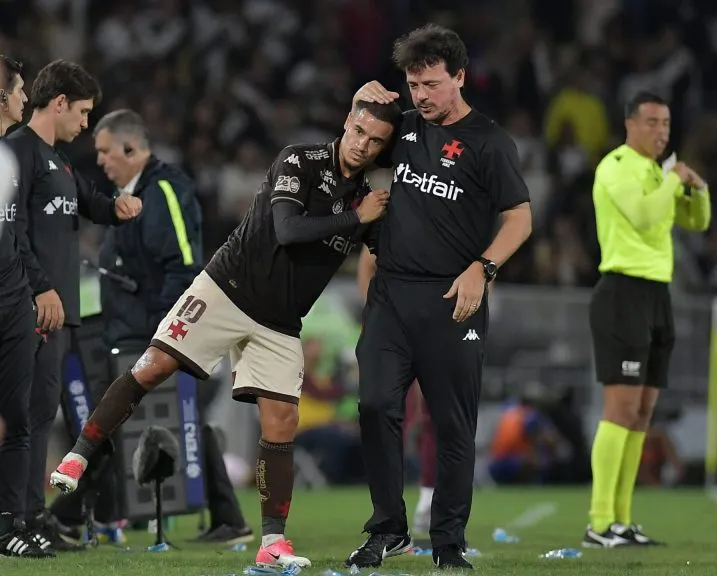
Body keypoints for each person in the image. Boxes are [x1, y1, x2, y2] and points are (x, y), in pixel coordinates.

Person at [50, 99, 401, 570]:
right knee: (153, 365)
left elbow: (385, 253)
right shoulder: (301, 159)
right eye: (360, 131)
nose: (363, 144)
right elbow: (288, 229)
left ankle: (272, 542)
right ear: (347, 123)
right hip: (226, 288)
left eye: (377, 140)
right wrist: (358, 220)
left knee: (281, 422)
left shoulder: (367, 198)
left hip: (280, 321)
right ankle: (79, 455)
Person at [346, 24, 533, 571]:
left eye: (430, 83)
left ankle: (447, 542)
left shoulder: (491, 143)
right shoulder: (401, 128)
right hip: (391, 296)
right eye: (412, 84)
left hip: (455, 299)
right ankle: (388, 529)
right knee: (375, 405)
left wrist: (484, 268)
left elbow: (520, 219)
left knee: (453, 426)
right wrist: (364, 99)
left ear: (459, 77)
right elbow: (352, 146)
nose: (420, 95)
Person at [6, 58, 143, 555]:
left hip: (57, 312)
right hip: (29, 306)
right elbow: (11, 231)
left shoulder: (59, 161)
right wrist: (40, 287)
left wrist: (119, 208)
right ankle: (12, 521)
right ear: (59, 102)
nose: (86, 124)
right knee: (21, 417)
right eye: (83, 112)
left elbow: (92, 203)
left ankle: (30, 516)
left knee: (41, 417)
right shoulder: (15, 153)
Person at [583, 92, 710, 549]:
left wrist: (698, 189)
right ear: (629, 125)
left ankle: (622, 520)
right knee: (620, 409)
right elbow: (643, 216)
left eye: (667, 125)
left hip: (658, 294)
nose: (661, 132)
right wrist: (674, 181)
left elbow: (696, 223)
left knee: (642, 414)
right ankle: (599, 522)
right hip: (622, 292)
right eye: (652, 122)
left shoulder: (660, 174)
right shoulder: (615, 166)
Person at [0, 53, 53, 559]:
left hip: (14, 302)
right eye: (18, 89)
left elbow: (14, 235)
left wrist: (32, 291)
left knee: (18, 414)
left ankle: (10, 523)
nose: (24, 98)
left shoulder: (10, 159)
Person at [357, 246, 436, 537]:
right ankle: (390, 508)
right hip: (392, 328)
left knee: (435, 414)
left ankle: (428, 496)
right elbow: (367, 260)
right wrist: (374, 312)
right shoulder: (394, 206)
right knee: (383, 408)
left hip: (437, 322)